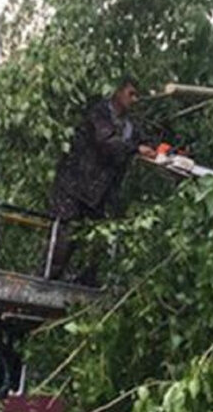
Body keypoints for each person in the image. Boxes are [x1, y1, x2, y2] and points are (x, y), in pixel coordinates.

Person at [49, 75, 156, 281]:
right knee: (65, 238)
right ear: (117, 91)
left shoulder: (129, 126)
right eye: (130, 93)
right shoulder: (98, 113)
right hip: (74, 187)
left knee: (97, 241)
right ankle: (45, 283)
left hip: (100, 194)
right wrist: (136, 149)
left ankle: (85, 283)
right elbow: (106, 142)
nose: (133, 99)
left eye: (136, 96)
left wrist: (164, 152)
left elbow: (146, 141)